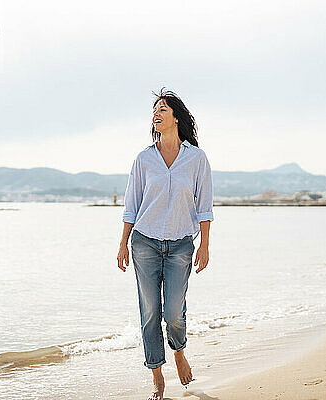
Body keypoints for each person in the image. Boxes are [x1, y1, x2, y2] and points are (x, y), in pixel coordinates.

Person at [116, 88, 214, 400]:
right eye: (154, 110)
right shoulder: (144, 159)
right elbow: (131, 205)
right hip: (143, 243)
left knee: (173, 312)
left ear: (176, 118)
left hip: (181, 246)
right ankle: (157, 375)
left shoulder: (196, 159)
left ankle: (179, 351)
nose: (156, 114)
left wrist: (205, 246)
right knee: (149, 312)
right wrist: (122, 244)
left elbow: (205, 207)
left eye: (163, 109)